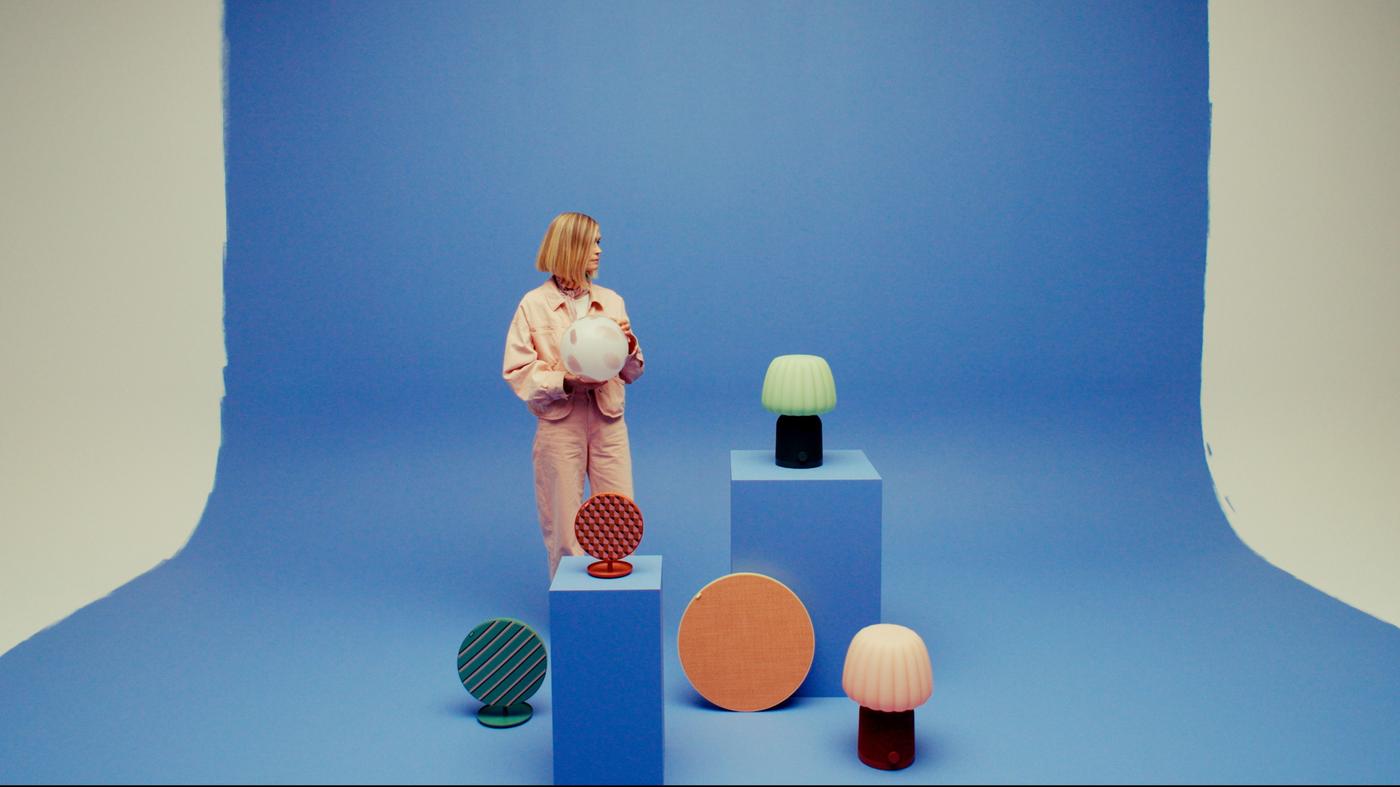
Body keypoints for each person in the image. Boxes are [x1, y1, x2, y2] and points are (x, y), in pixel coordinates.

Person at [503, 212, 644, 579]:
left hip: (608, 421)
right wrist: (565, 382)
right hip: (559, 425)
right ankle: (572, 611)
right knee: (564, 526)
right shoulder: (533, 305)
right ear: (570, 247)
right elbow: (517, 372)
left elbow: (634, 372)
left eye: (600, 242)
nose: (599, 250)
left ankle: (613, 603)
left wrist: (627, 346)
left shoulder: (612, 301)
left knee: (619, 517)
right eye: (592, 242)